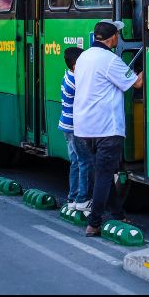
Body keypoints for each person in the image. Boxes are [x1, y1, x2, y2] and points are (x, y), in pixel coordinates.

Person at [73, 20, 143, 237]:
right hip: (107, 128)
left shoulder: (84, 57)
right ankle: (94, 223)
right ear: (112, 38)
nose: (118, 38)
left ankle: (118, 214)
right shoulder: (111, 60)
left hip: (84, 128)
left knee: (103, 172)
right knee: (103, 176)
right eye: (117, 35)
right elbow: (137, 84)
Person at [58, 46, 94, 212]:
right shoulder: (76, 82)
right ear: (75, 66)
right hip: (75, 126)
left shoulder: (67, 76)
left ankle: (72, 197)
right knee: (85, 161)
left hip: (66, 125)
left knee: (74, 162)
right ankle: (83, 199)